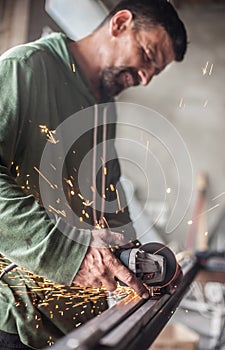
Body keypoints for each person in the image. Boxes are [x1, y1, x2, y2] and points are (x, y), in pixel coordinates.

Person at [0, 0, 187, 348]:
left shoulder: (104, 108)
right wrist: (70, 253)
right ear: (120, 23)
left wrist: (136, 255)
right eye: (147, 55)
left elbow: (107, 192)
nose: (145, 78)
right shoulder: (24, 68)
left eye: (155, 72)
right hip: (15, 317)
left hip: (77, 320)